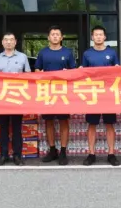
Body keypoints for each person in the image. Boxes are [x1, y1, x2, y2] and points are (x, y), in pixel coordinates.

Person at [34, 25, 76, 165]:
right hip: (47, 91)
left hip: (63, 92)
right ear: (48, 37)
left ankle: (63, 151)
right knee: (49, 121)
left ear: (62, 37)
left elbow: (74, 72)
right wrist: (40, 73)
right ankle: (52, 150)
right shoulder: (43, 53)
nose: (55, 36)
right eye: (53, 34)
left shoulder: (68, 52)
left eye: (58, 34)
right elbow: (37, 70)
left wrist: (67, 73)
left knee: (64, 121)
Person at [80, 26, 120, 166]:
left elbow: (118, 72)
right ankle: (91, 154)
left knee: (109, 123)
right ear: (92, 37)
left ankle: (111, 153)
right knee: (92, 124)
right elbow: (83, 73)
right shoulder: (87, 54)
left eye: (100, 34)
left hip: (108, 93)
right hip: (93, 93)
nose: (98, 37)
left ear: (104, 37)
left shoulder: (112, 53)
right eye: (96, 35)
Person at [0, 32, 31, 165]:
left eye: (11, 40)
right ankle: (3, 155)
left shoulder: (22, 57)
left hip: (17, 97)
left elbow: (28, 76)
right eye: (6, 40)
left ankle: (17, 155)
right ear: (2, 42)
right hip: (2, 97)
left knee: (16, 128)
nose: (8, 42)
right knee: (3, 128)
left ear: (15, 42)